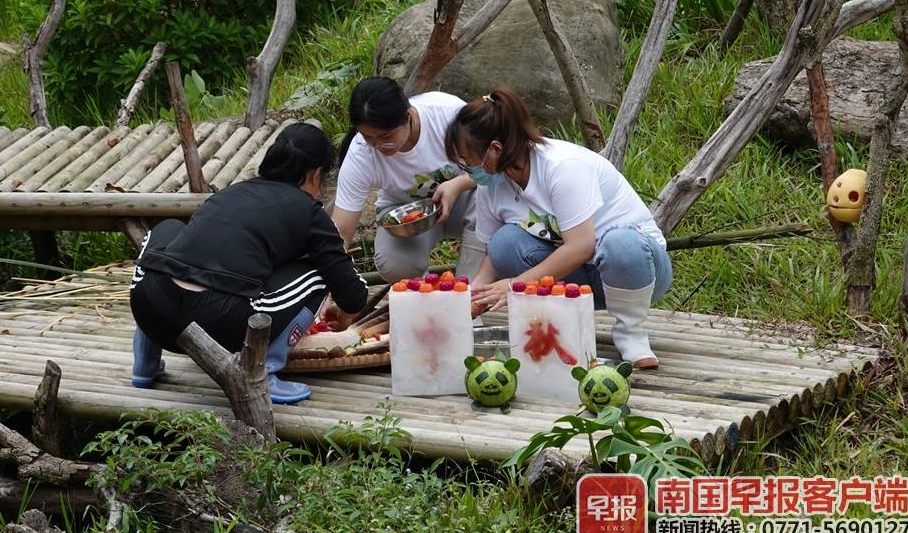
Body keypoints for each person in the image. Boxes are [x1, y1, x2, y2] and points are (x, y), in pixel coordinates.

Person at [129, 123, 368, 403]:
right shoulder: (309, 212)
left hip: (151, 309)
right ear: (315, 174)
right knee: (319, 272)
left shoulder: (229, 193)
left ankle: (145, 361)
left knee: (167, 231)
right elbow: (351, 293)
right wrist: (345, 315)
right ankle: (261, 372)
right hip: (217, 326)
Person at [443, 87, 672, 369]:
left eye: (468, 161)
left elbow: (581, 246)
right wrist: (472, 295)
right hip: (580, 277)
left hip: (638, 271)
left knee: (620, 243)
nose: (467, 170)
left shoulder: (562, 167)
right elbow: (492, 252)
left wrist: (516, 285)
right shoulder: (492, 185)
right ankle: (562, 319)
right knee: (505, 242)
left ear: (495, 149)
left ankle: (631, 331)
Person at [331, 77, 486, 283]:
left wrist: (457, 184)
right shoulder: (361, 153)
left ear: (409, 115)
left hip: (464, 198)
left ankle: (469, 292)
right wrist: (333, 282)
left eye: (386, 136)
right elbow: (341, 230)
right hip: (407, 212)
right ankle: (421, 296)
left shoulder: (447, 114)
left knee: (488, 202)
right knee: (395, 263)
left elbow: (492, 167)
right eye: (368, 137)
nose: (378, 145)